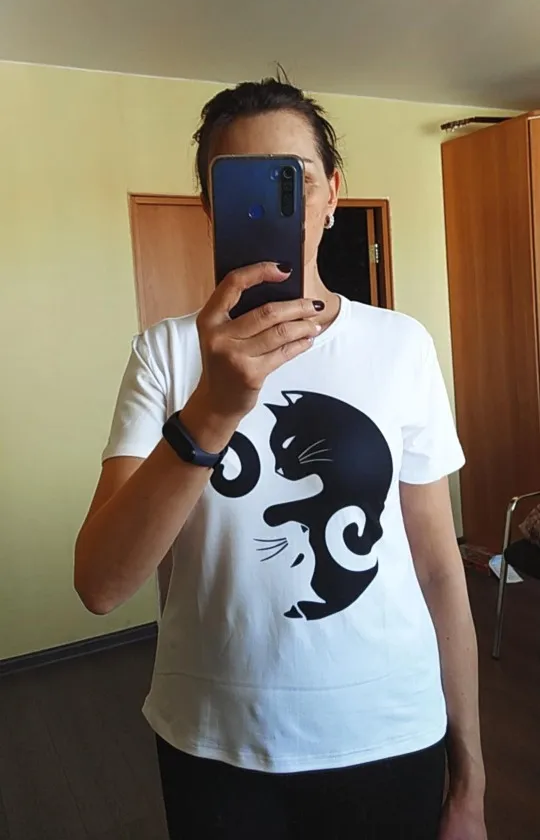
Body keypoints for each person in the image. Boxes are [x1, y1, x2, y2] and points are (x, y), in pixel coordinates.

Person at [74, 78, 486, 839]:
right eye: (242, 187)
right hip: (214, 739)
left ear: (333, 196)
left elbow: (437, 567)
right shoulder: (166, 355)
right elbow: (101, 584)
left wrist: (471, 784)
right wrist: (213, 408)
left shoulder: (401, 345)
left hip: (390, 729)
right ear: (210, 209)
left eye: (294, 181)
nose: (275, 209)